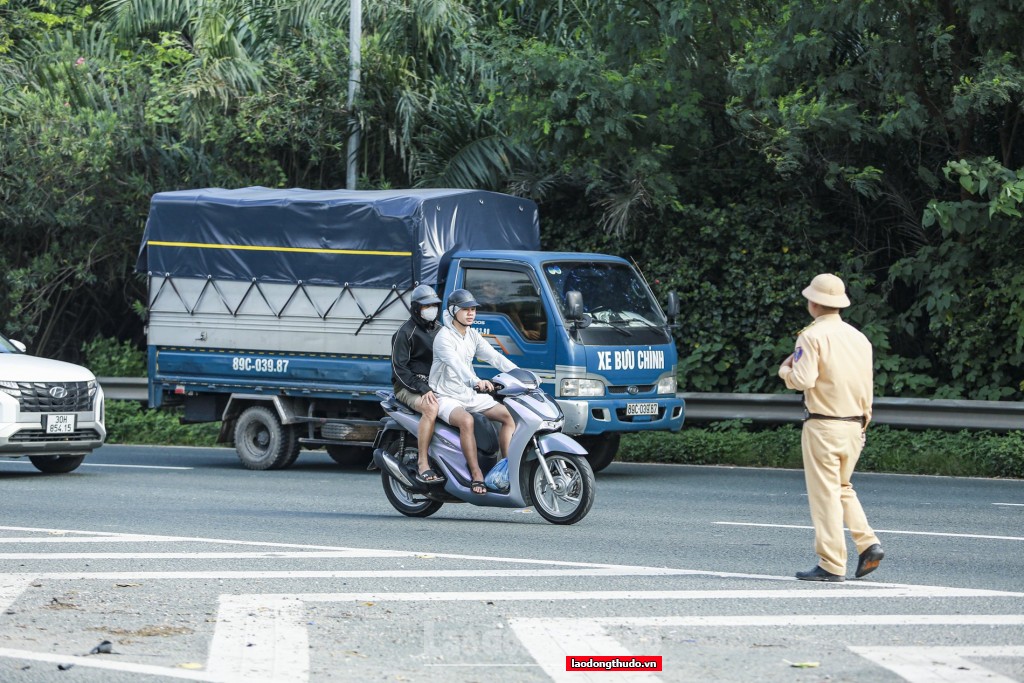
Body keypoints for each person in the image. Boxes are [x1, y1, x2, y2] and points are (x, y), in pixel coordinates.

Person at [778, 273, 884, 582]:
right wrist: (864, 420)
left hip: (824, 424)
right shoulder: (859, 338)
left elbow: (804, 380)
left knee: (824, 495)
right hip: (855, 424)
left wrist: (785, 370)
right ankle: (868, 543)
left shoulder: (811, 337)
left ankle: (831, 563)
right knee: (841, 488)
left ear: (813, 302)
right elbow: (866, 385)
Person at [429, 289, 518, 494]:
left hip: (467, 394)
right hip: (445, 395)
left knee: (508, 416)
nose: (471, 313)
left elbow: (494, 357)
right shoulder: (444, 337)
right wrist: (476, 381)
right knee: (466, 421)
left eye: (473, 309)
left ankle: (505, 469)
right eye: (465, 309)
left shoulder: (472, 335)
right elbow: (457, 365)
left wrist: (520, 374)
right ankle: (476, 474)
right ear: (452, 311)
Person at [391, 284, 444, 484]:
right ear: (416, 308)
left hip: (437, 385)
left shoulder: (440, 330)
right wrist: (422, 388)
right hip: (407, 387)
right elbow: (400, 369)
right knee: (431, 409)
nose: (432, 309)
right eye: (426, 306)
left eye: (435, 305)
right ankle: (423, 463)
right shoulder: (404, 333)